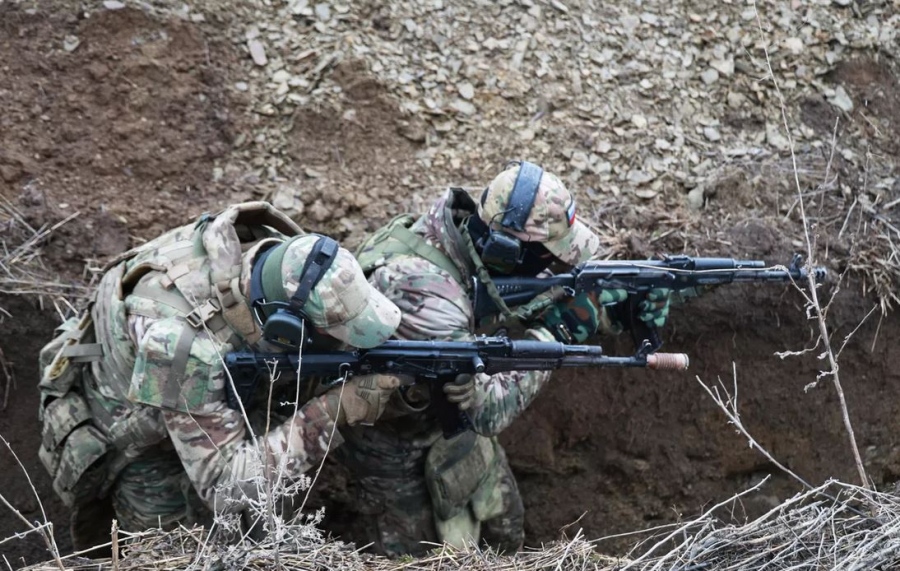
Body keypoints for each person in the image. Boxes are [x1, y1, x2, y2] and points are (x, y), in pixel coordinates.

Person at [346, 161, 672, 556]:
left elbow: (514, 296)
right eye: (549, 259)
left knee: (505, 533)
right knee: (426, 559)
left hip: (450, 415)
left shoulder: (462, 238)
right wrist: (559, 333)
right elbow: (490, 410)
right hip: (394, 444)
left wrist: (610, 308)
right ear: (506, 252)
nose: (556, 267)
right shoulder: (422, 289)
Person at [36, 201, 403, 550]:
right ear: (286, 330)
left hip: (214, 385)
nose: (344, 346)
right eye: (334, 336)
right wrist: (333, 412)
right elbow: (223, 487)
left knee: (271, 518)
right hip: (139, 427)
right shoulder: (181, 346)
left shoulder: (284, 265)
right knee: (169, 545)